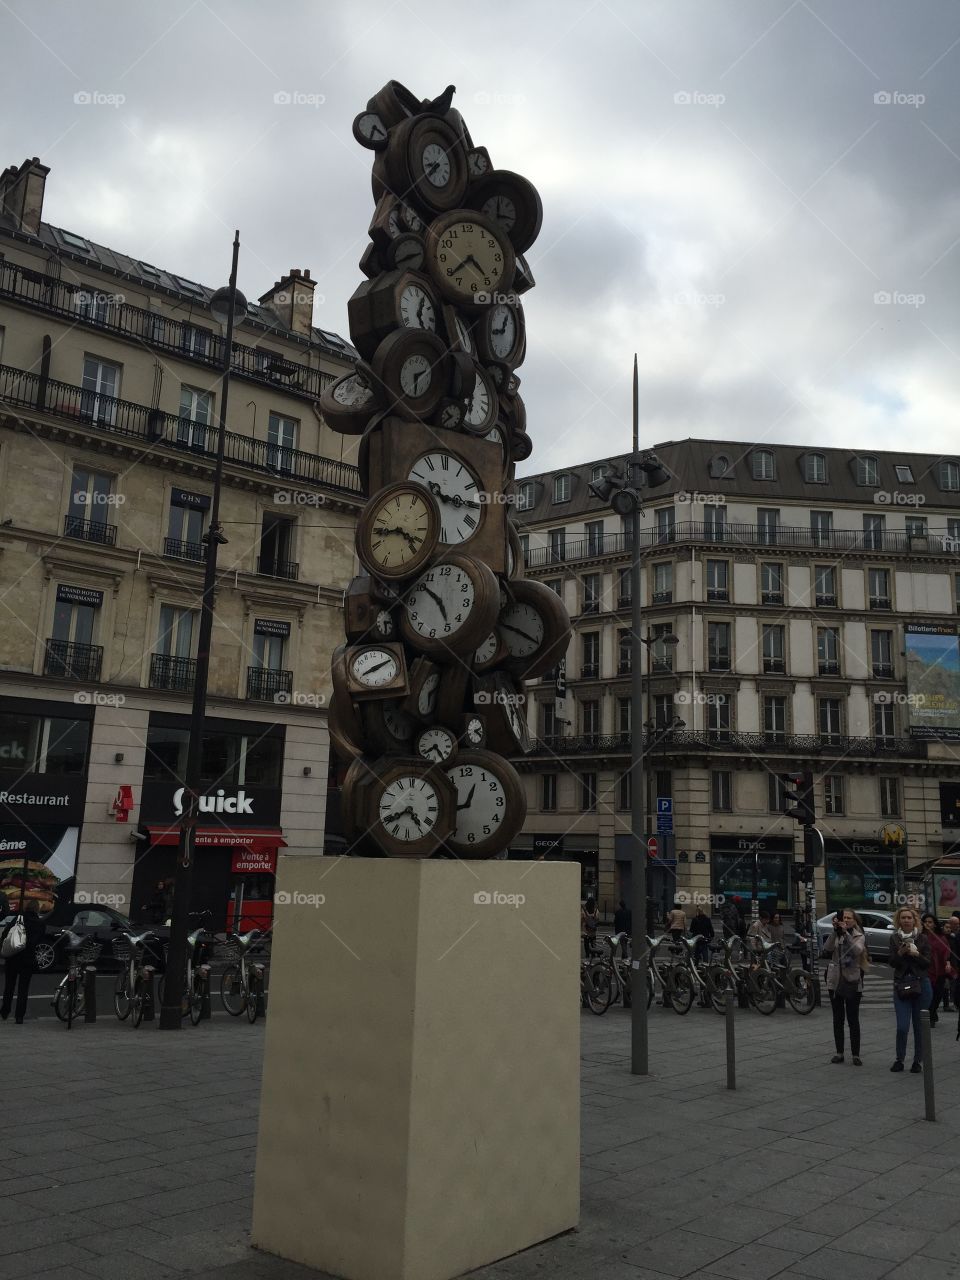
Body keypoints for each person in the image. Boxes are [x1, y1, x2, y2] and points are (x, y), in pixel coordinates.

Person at [822, 908, 868, 1065]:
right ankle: (839, 1052)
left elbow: (857, 951)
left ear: (854, 921)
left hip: (852, 980)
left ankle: (856, 1054)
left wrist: (846, 934)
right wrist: (835, 932)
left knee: (853, 1018)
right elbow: (827, 948)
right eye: (844, 918)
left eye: (849, 918)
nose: (846, 920)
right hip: (835, 980)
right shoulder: (836, 934)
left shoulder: (858, 935)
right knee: (838, 1018)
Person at [889, 905, 932, 1073]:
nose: (906, 920)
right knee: (902, 1026)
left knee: (919, 1026)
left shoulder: (923, 938)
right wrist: (900, 953)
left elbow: (928, 963)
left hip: (921, 985)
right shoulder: (894, 938)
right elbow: (892, 962)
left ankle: (917, 1061)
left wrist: (917, 954)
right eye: (903, 918)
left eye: (909, 918)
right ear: (898, 921)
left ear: (914, 921)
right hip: (901, 986)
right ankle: (899, 1059)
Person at [1, 901, 46, 1024]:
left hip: (13, 957)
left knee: (9, 986)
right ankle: (19, 1016)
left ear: (26, 908)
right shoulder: (40, 923)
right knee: (23, 988)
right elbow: (39, 941)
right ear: (37, 909)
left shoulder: (18, 918)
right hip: (28, 959)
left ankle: (5, 1011)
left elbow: (5, 934)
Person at [921, 913, 953, 1027]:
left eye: (930, 922)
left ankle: (933, 1011)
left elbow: (947, 952)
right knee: (928, 994)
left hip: (940, 970)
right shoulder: (920, 936)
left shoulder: (941, 937)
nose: (927, 924)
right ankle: (930, 1016)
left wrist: (947, 963)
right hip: (926, 970)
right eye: (925, 922)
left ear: (934, 924)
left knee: (938, 994)